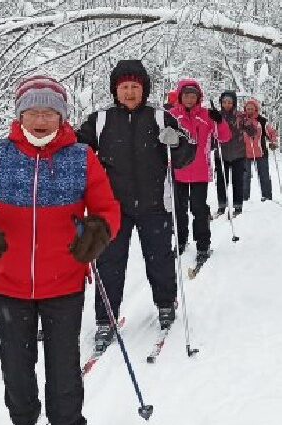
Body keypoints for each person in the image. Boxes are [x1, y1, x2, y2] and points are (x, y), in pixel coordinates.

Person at [0, 75, 120, 425]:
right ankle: (23, 422)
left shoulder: (81, 157)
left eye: (50, 112)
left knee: (63, 366)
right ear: (20, 114)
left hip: (64, 280)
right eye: (34, 111)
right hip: (8, 280)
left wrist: (97, 232)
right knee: (15, 360)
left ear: (63, 117)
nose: (42, 119)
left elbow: (106, 208)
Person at [76, 60, 196, 352]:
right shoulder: (100, 121)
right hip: (112, 207)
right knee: (110, 264)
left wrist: (177, 143)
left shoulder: (159, 117)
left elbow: (185, 155)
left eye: (135, 87)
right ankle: (106, 320)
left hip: (155, 204)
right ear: (115, 91)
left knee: (160, 259)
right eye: (124, 87)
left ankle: (166, 304)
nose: (129, 93)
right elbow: (76, 153)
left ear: (144, 89)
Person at [166, 79, 231, 264]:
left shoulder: (207, 116)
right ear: (180, 96)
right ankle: (181, 240)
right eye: (185, 95)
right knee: (179, 210)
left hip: (200, 172)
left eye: (193, 95)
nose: (189, 98)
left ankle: (203, 245)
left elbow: (224, 138)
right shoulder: (171, 115)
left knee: (199, 210)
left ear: (198, 97)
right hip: (178, 171)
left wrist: (221, 121)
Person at [212, 91, 250, 217]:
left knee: (237, 181)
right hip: (221, 154)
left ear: (234, 103)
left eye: (229, 102)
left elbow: (252, 131)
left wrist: (248, 123)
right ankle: (221, 206)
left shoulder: (240, 116)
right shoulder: (217, 116)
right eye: (224, 102)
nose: (227, 105)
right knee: (222, 182)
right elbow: (210, 133)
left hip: (238, 154)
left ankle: (237, 207)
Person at [241, 98, 280, 202]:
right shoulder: (241, 121)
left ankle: (267, 197)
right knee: (245, 177)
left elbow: (272, 132)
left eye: (252, 108)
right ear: (245, 109)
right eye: (247, 108)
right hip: (245, 153)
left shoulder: (262, 121)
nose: (249, 110)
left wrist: (273, 142)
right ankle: (244, 198)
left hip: (261, 152)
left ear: (256, 109)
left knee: (264, 176)